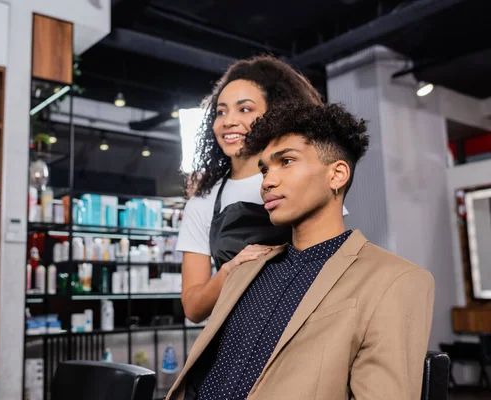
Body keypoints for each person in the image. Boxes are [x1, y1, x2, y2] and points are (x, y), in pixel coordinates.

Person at [166, 101, 435, 400]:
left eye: (287, 161)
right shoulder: (249, 267)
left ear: (337, 175)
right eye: (265, 169)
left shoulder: (395, 280)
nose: (268, 181)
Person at [177, 55, 348, 323]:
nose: (228, 121)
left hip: (307, 328)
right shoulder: (203, 202)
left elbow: (334, 262)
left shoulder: (304, 180)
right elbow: (193, 308)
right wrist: (230, 271)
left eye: (244, 109)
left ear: (275, 114)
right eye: (221, 111)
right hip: (235, 338)